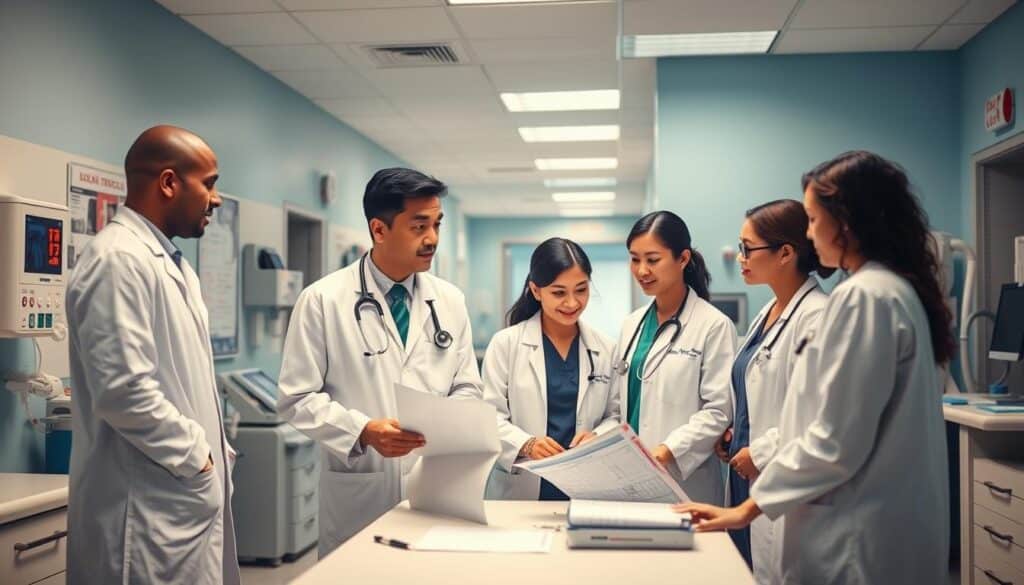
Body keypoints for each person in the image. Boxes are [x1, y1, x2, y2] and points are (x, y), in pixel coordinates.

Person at [677, 151, 953, 585]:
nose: (809, 232)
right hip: (866, 524)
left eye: (811, 218)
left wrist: (747, 508)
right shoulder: (889, 291)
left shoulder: (865, 298)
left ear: (846, 222)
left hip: (857, 537)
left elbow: (835, 438)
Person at [66, 125, 240, 584]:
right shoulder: (118, 261)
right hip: (143, 516)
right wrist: (196, 456)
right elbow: (125, 392)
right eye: (210, 183)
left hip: (173, 506)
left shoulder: (167, 263)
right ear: (168, 183)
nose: (216, 200)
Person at [278, 167, 483, 554]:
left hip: (437, 484)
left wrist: (452, 423)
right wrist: (364, 431)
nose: (432, 239)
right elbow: (296, 398)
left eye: (437, 224)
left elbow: (468, 383)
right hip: (361, 490)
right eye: (419, 226)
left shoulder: (450, 300)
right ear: (379, 229)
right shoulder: (323, 300)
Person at [714, 200, 831, 580]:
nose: (741, 257)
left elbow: (817, 413)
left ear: (785, 253)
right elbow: (755, 388)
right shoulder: (770, 310)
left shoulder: (817, 315)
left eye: (749, 248)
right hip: (744, 468)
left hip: (776, 470)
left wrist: (760, 450)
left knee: (775, 569)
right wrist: (732, 434)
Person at [609, 211, 736, 505]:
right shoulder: (632, 324)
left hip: (686, 483)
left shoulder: (713, 326)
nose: (642, 270)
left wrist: (667, 451)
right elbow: (619, 406)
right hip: (631, 477)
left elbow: (718, 411)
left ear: (683, 259)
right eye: (634, 259)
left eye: (652, 260)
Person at [482, 238, 617, 500]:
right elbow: (488, 416)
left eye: (581, 290)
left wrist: (597, 436)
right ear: (536, 290)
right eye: (558, 292)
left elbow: (616, 414)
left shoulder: (606, 348)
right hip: (522, 486)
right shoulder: (506, 344)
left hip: (585, 485)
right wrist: (526, 444)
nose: (572, 302)